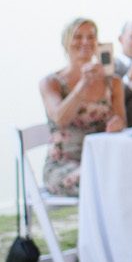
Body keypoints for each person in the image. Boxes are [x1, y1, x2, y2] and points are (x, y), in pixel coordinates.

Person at [38, 18, 125, 194]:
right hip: (63, 165)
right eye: (78, 37)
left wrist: (118, 124)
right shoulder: (51, 82)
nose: (85, 42)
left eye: (90, 37)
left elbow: (122, 121)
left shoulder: (113, 82)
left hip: (102, 160)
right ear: (66, 42)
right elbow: (60, 119)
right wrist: (83, 85)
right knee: (104, 180)